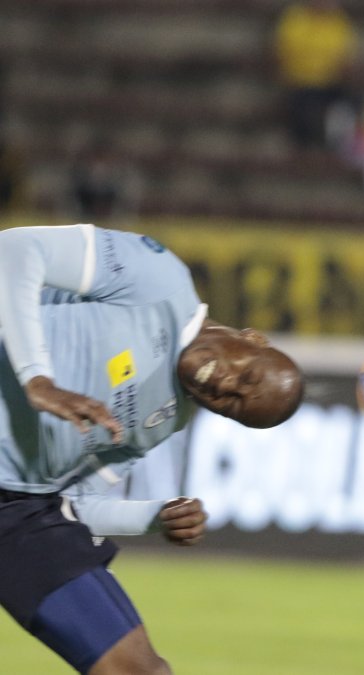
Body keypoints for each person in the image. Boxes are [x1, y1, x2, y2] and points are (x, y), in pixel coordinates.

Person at [0, 224, 304, 674]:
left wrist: (153, 517)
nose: (225, 387)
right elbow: (16, 249)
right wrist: (36, 378)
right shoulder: (159, 279)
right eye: (247, 376)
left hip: (18, 509)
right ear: (253, 338)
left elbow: (76, 505)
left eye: (234, 406)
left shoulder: (164, 421)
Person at [274, 0, 358, 149]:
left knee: (354, 102)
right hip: (301, 82)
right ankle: (303, 149)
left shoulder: (338, 20)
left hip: (330, 82)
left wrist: (345, 70)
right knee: (304, 109)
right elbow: (285, 53)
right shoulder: (295, 18)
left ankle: (339, 145)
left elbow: (345, 54)